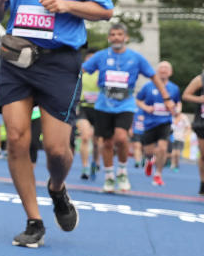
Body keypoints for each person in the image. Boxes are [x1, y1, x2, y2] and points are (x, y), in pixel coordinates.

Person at [0, 0, 114, 248]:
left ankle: (57, 188)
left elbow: (105, 9)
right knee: (17, 139)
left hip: (60, 61)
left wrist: (67, 5)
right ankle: (34, 220)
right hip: (17, 58)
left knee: (57, 151)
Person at [82, 23, 173, 193]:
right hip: (104, 103)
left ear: (126, 37)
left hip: (125, 103)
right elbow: (81, 70)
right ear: (109, 37)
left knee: (121, 138)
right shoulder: (101, 56)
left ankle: (122, 172)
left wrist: (166, 98)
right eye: (113, 34)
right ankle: (109, 176)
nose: (116, 37)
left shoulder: (136, 58)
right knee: (107, 142)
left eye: (119, 34)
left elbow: (154, 77)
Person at [135, 61, 180, 186]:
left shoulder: (174, 88)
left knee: (162, 148)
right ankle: (150, 161)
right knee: (148, 151)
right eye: (161, 68)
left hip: (165, 122)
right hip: (149, 122)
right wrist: (146, 108)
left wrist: (176, 111)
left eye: (166, 69)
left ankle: (158, 174)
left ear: (170, 72)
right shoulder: (148, 86)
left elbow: (177, 103)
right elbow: (138, 100)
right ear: (157, 71)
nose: (164, 71)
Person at [76, 48, 100, 179]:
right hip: (84, 108)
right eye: (88, 58)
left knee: (97, 142)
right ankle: (85, 167)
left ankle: (95, 162)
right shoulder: (81, 73)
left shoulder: (103, 73)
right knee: (85, 137)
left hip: (99, 109)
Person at [181, 66, 204, 195]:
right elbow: (186, 95)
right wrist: (200, 99)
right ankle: (203, 182)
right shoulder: (200, 79)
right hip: (202, 123)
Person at [170, 106, 189, 171]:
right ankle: (172, 164)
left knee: (177, 153)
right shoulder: (171, 117)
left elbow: (188, 127)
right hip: (172, 137)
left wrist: (185, 134)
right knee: (173, 152)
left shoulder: (184, 117)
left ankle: (176, 164)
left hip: (181, 138)